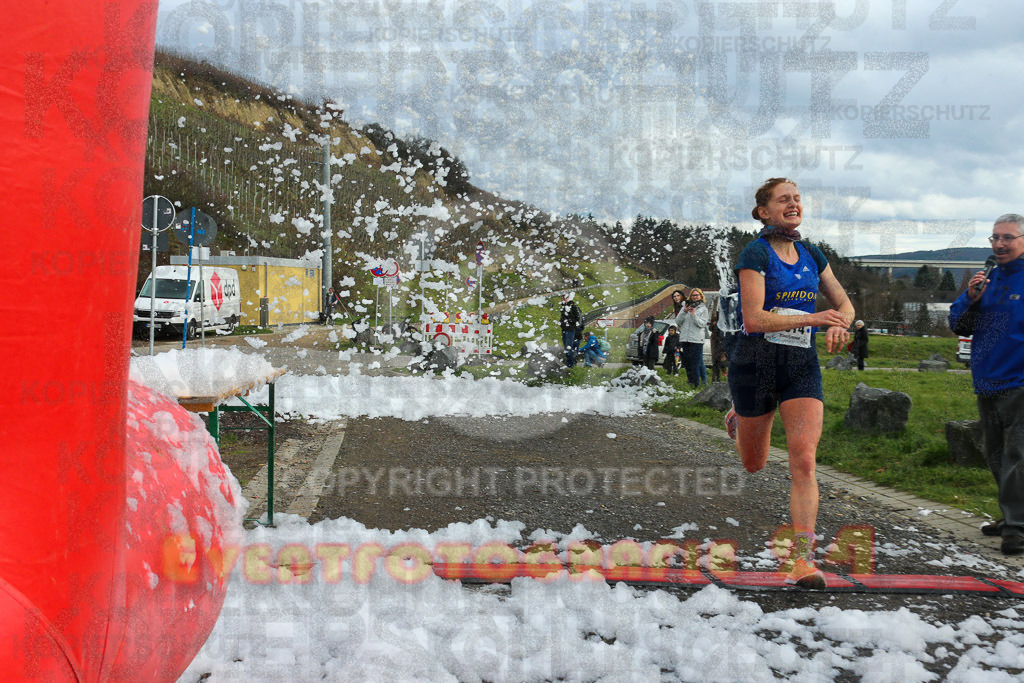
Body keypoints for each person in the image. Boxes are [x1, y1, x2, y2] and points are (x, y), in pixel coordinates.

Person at [725, 177, 855, 589]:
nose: (793, 203)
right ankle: (737, 418)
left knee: (803, 458)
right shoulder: (755, 253)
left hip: (801, 365)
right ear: (764, 211)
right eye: (784, 199)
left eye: (797, 198)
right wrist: (815, 319)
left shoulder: (812, 253)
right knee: (754, 463)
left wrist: (841, 324)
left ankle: (803, 561)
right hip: (755, 364)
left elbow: (844, 303)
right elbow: (754, 319)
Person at [949, 213, 1024, 556]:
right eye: (995, 238)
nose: (999, 244)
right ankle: (1012, 517)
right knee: (995, 455)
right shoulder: (988, 281)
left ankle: (1016, 528)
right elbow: (958, 324)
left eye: (1007, 237)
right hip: (987, 381)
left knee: (1016, 456)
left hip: (1020, 383)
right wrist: (970, 297)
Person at [677, 288, 709, 386]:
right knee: (687, 363)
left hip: (696, 340)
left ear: (701, 296)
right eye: (693, 295)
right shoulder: (685, 306)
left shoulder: (703, 309)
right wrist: (684, 312)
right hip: (685, 338)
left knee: (695, 363)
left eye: (697, 295)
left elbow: (702, 324)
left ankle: (696, 384)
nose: (695, 297)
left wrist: (694, 314)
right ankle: (690, 382)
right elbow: (678, 321)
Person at [559, 292, 583, 367]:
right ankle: (570, 363)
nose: (564, 299)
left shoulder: (572, 306)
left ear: (569, 297)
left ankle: (571, 365)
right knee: (567, 348)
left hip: (570, 329)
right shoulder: (564, 306)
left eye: (565, 297)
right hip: (565, 329)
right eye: (562, 297)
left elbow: (578, 319)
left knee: (569, 348)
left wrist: (571, 323)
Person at [710, 311, 728, 382]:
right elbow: (710, 328)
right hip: (715, 342)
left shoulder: (725, 320)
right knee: (715, 361)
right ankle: (715, 378)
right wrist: (713, 324)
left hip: (721, 342)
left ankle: (722, 373)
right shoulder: (715, 319)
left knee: (720, 360)